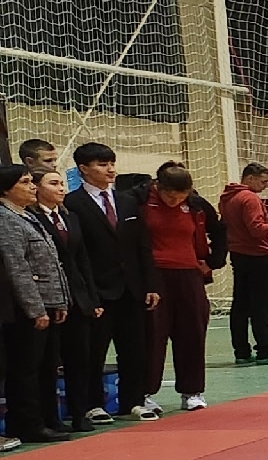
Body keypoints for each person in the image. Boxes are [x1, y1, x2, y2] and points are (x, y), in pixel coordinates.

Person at [65, 142, 159, 421]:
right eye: (102, 164)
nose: (110, 169)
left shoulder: (127, 201)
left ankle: (133, 401)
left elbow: (142, 246)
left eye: (111, 163)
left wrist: (150, 284)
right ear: (83, 168)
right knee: (93, 351)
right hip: (97, 289)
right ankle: (92, 404)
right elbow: (77, 252)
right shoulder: (72, 203)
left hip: (132, 287)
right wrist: (86, 294)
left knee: (135, 349)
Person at [137, 161, 216, 412]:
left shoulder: (195, 204)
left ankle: (192, 392)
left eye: (181, 196)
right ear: (158, 187)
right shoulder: (139, 201)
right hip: (154, 275)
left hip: (189, 275)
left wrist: (213, 261)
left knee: (192, 332)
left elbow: (220, 230)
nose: (175, 201)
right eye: (170, 196)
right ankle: (145, 393)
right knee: (153, 335)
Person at [0, 164, 71, 444]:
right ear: (5, 189)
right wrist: (35, 309)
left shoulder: (27, 215)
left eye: (32, 181)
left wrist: (59, 301)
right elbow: (17, 268)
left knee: (46, 366)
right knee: (26, 369)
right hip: (26, 308)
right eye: (25, 182)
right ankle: (27, 423)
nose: (32, 187)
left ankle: (47, 418)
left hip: (48, 301)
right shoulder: (5, 219)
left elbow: (51, 263)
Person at [34, 168, 103, 430]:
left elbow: (83, 260)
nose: (61, 188)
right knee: (49, 361)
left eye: (62, 183)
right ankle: (51, 417)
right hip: (49, 298)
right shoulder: (32, 218)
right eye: (53, 183)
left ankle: (79, 412)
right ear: (37, 188)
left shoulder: (70, 217)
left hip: (77, 296)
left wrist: (92, 299)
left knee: (79, 358)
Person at [221, 162, 268, 364]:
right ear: (250, 178)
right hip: (257, 256)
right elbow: (257, 230)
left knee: (240, 305)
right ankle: (264, 351)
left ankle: (241, 352)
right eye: (263, 181)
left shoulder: (227, 197)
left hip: (238, 255)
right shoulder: (250, 198)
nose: (266, 186)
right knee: (262, 306)